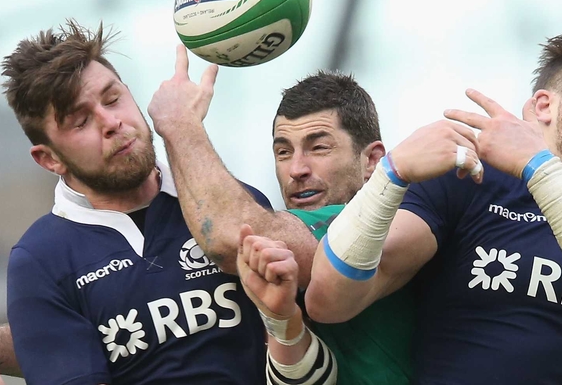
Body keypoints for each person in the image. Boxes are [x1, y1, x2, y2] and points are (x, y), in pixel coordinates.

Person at [306, 20, 562, 384]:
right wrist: (390, 175)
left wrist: (539, 166)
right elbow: (329, 299)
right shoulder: (467, 184)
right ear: (543, 106)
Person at [0, 20, 334, 384]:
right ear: (50, 159)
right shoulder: (41, 261)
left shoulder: (231, 206)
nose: (111, 122)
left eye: (113, 99)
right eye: (80, 121)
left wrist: (283, 323)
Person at [149, 63, 416, 384]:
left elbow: (229, 236)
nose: (296, 169)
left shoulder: (379, 223)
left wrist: (178, 121)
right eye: (283, 152)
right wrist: (284, 327)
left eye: (319, 147)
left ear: (372, 160)